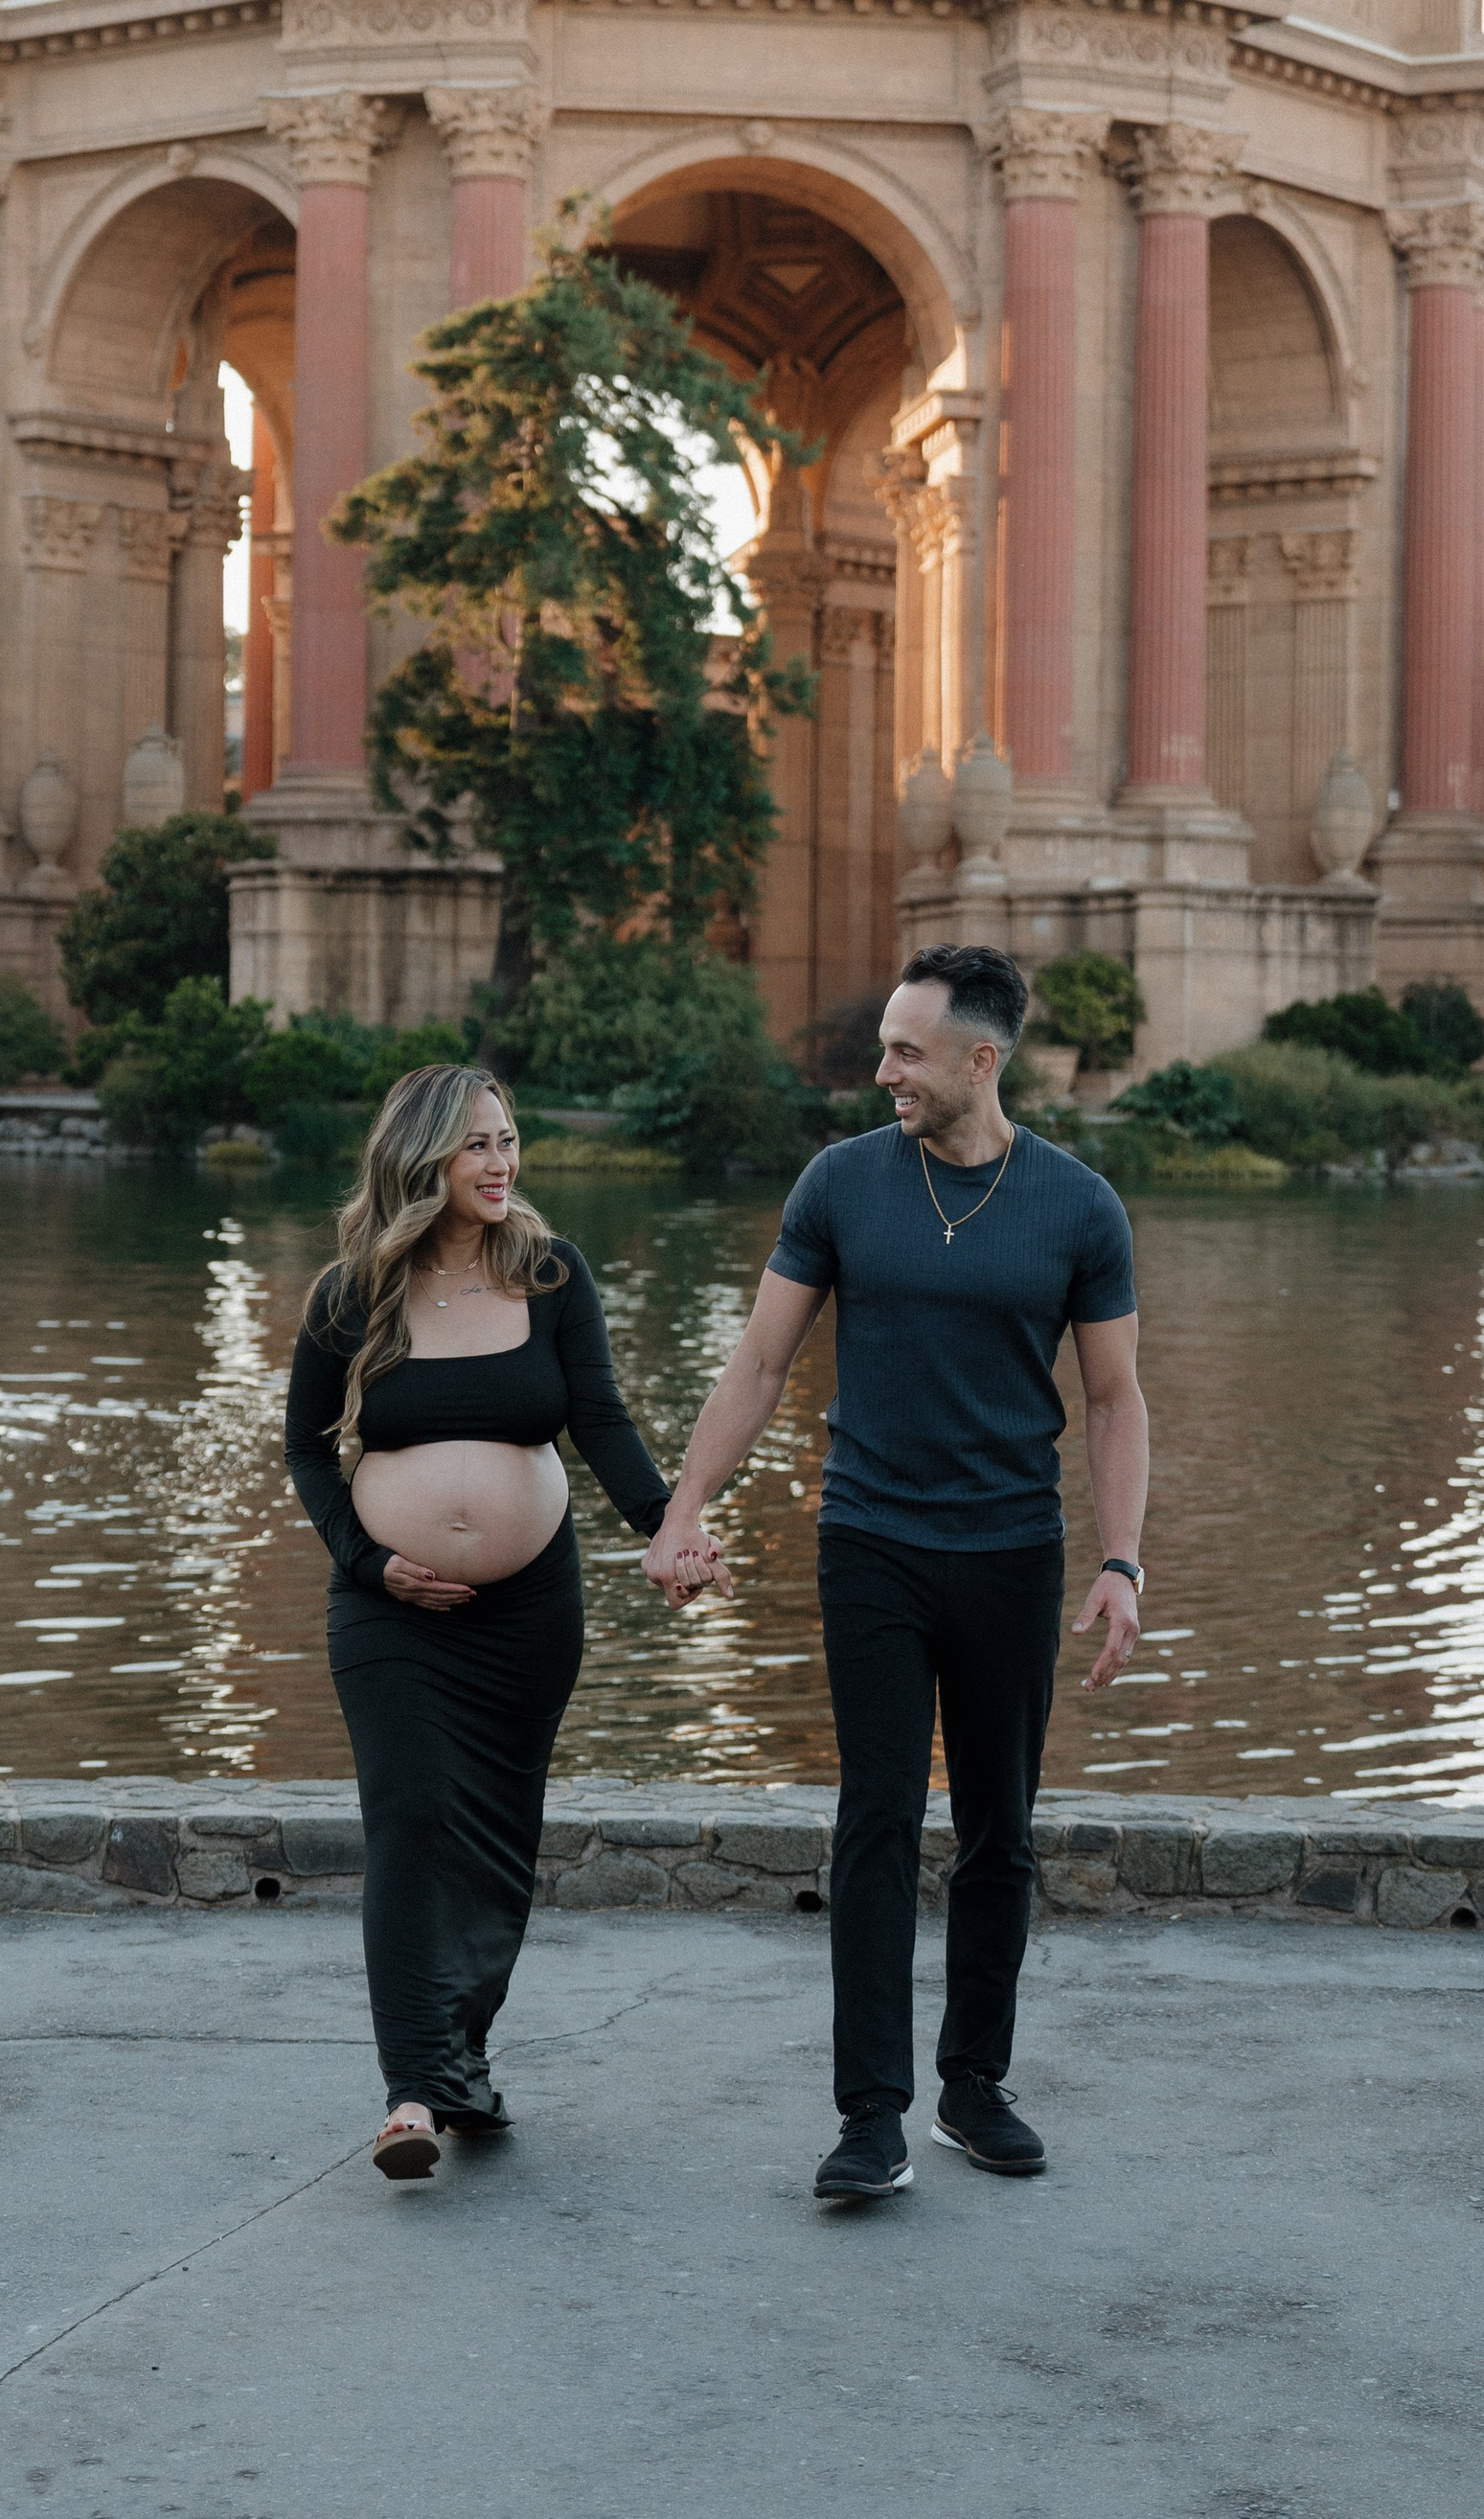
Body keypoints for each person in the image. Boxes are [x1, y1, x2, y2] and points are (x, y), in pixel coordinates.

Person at [644, 944, 1147, 2202]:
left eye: (907, 1052)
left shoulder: (1079, 1206)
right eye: (884, 1047)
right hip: (869, 1539)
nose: (883, 1072)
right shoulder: (841, 1183)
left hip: (1012, 1550)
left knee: (997, 1829)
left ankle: (974, 2087)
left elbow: (1115, 1398)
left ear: (982, 1059)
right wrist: (683, 1508)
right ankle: (870, 2116)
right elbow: (760, 1364)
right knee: (875, 1816)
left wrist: (1121, 1560)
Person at [286, 1064, 718, 2183]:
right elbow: (305, 1452)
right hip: (389, 1611)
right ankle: (411, 2092)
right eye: (477, 1142)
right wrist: (369, 1560)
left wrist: (666, 1527)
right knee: (410, 1819)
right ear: (422, 1155)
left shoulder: (550, 1271)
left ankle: (461, 2061)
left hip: (528, 1610)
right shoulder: (349, 1294)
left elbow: (600, 1418)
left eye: (509, 1139)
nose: (501, 1161)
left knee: (494, 1837)